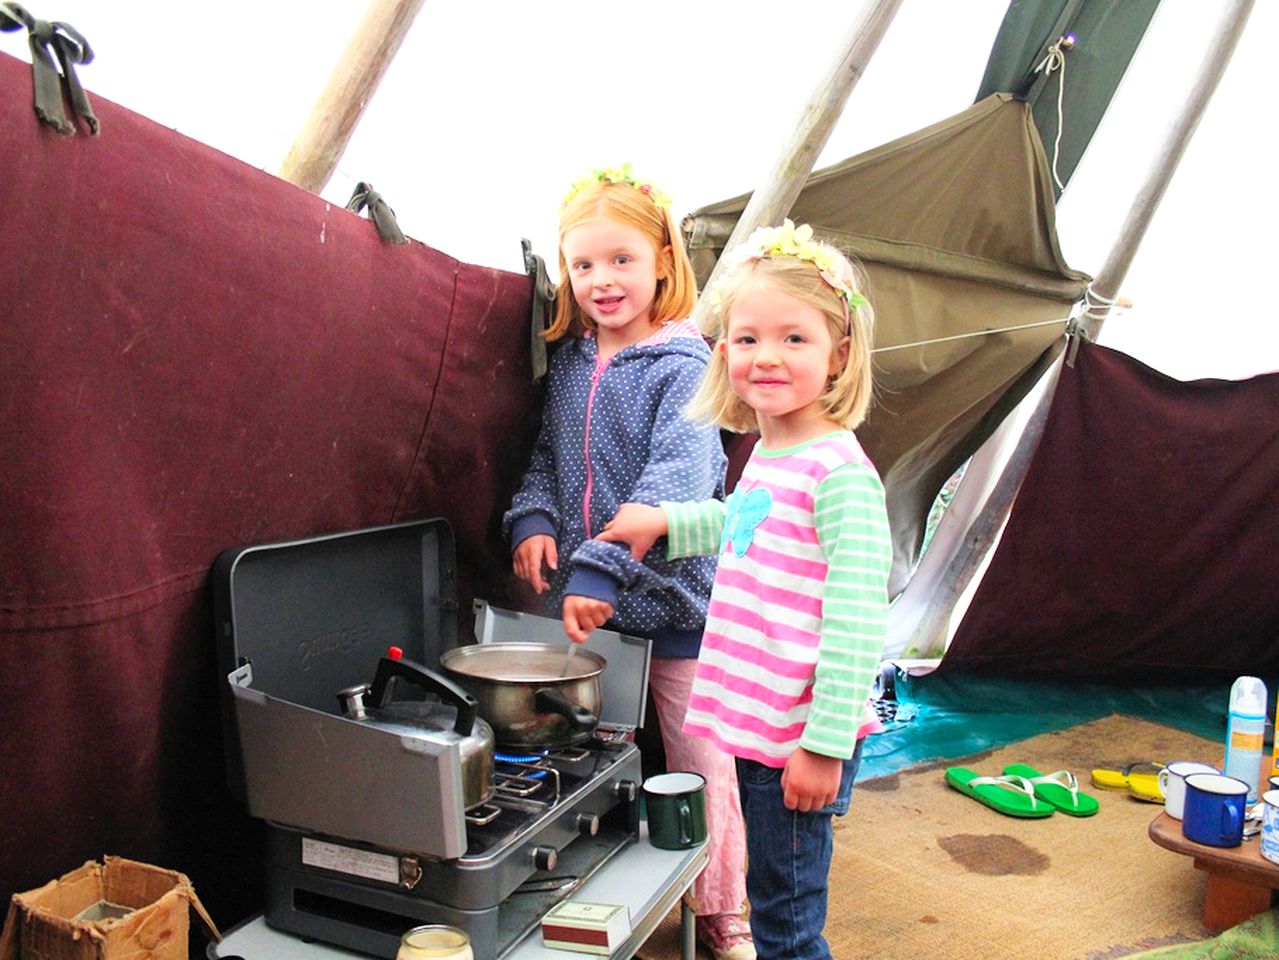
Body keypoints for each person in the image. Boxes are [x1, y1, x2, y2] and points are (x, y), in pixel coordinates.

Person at [596, 220, 892, 960]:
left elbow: (857, 624)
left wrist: (823, 748)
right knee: (774, 898)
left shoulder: (840, 476)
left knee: (786, 924)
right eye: (747, 337)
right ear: (722, 351)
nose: (766, 356)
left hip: (800, 735)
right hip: (765, 728)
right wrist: (664, 520)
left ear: (839, 354)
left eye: (794, 339)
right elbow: (746, 523)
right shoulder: (772, 449)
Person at [503, 165, 755, 960]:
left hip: (670, 605)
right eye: (583, 265)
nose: (601, 281)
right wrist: (535, 520)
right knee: (588, 747)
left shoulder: (683, 365)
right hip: (586, 611)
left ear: (661, 262)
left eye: (620, 260)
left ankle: (724, 914)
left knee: (699, 759)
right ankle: (578, 885)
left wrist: (598, 569)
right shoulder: (574, 361)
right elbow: (547, 455)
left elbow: (674, 482)